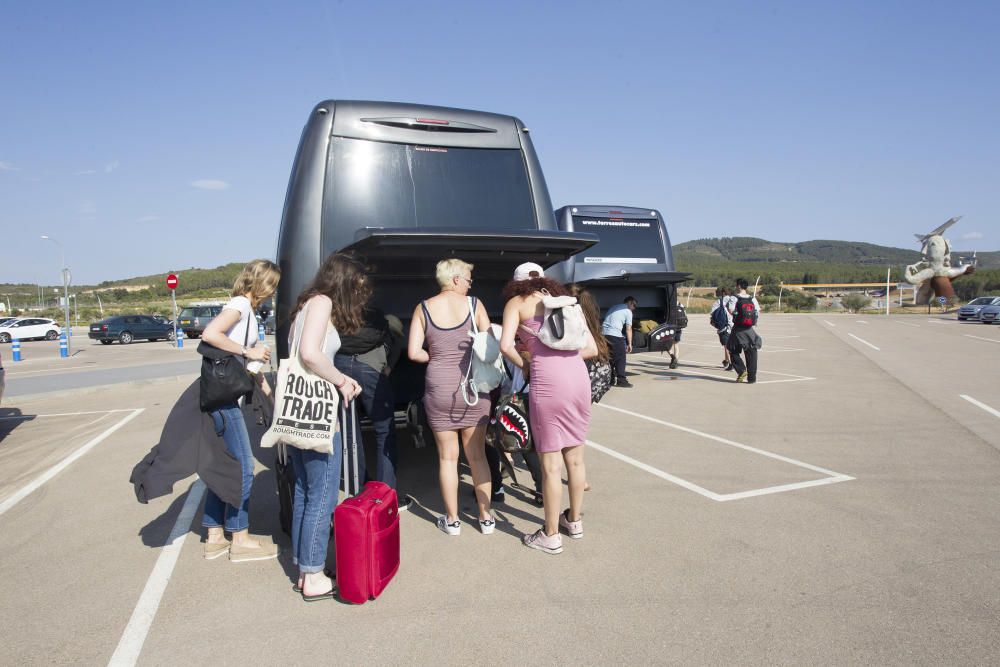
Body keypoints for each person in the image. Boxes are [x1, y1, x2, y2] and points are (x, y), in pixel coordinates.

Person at [500, 262, 598, 555]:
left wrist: (528, 364)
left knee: (550, 465)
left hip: (547, 382)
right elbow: (591, 349)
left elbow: (506, 346)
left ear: (517, 282)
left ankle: (551, 534)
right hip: (578, 379)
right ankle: (575, 521)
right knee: (576, 459)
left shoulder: (516, 303)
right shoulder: (567, 302)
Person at [287, 252, 366, 601]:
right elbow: (310, 353)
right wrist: (342, 380)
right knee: (322, 494)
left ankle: (306, 567)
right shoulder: (321, 303)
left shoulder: (305, 304)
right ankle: (315, 572)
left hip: (298, 410)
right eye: (357, 284)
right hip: (318, 413)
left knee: (306, 491)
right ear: (344, 281)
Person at [200, 259, 281, 563]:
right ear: (262, 283)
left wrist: (271, 396)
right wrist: (249, 350)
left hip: (221, 397)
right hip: (224, 400)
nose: (273, 291)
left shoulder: (246, 309)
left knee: (224, 466)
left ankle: (214, 536)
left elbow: (250, 368)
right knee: (244, 468)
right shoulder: (240, 305)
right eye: (272, 284)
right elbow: (211, 334)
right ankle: (240, 538)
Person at [407, 258, 494, 536]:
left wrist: (436, 355)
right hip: (473, 387)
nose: (470, 284)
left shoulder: (423, 308)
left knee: (447, 458)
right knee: (477, 457)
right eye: (468, 278)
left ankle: (453, 521)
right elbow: (489, 345)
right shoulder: (474, 305)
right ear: (455, 279)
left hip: (439, 387)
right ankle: (486, 519)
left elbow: (413, 352)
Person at [333, 305, 412, 512]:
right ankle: (385, 496)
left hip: (339, 367)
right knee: (384, 432)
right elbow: (393, 349)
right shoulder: (383, 325)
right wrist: (388, 368)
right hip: (370, 370)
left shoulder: (341, 315)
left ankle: (358, 489)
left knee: (350, 431)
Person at [727, 278, 762, 384]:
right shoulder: (752, 298)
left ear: (738, 286)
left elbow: (731, 310)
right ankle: (752, 378)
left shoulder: (734, 297)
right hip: (749, 329)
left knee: (732, 350)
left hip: (738, 329)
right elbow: (758, 311)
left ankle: (741, 370)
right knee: (751, 352)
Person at [601, 296, 637, 388]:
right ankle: (621, 380)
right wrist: (629, 344)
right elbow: (629, 329)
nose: (634, 308)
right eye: (634, 305)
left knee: (610, 358)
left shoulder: (613, 307)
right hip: (614, 335)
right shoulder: (628, 311)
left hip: (603, 334)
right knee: (621, 358)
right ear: (630, 302)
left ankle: (610, 379)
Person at [710, 287, 737, 370]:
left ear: (722, 293)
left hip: (724, 327)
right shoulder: (734, 300)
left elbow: (712, 313)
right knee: (731, 346)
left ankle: (731, 364)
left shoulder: (719, 302)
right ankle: (726, 361)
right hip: (735, 326)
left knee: (726, 346)